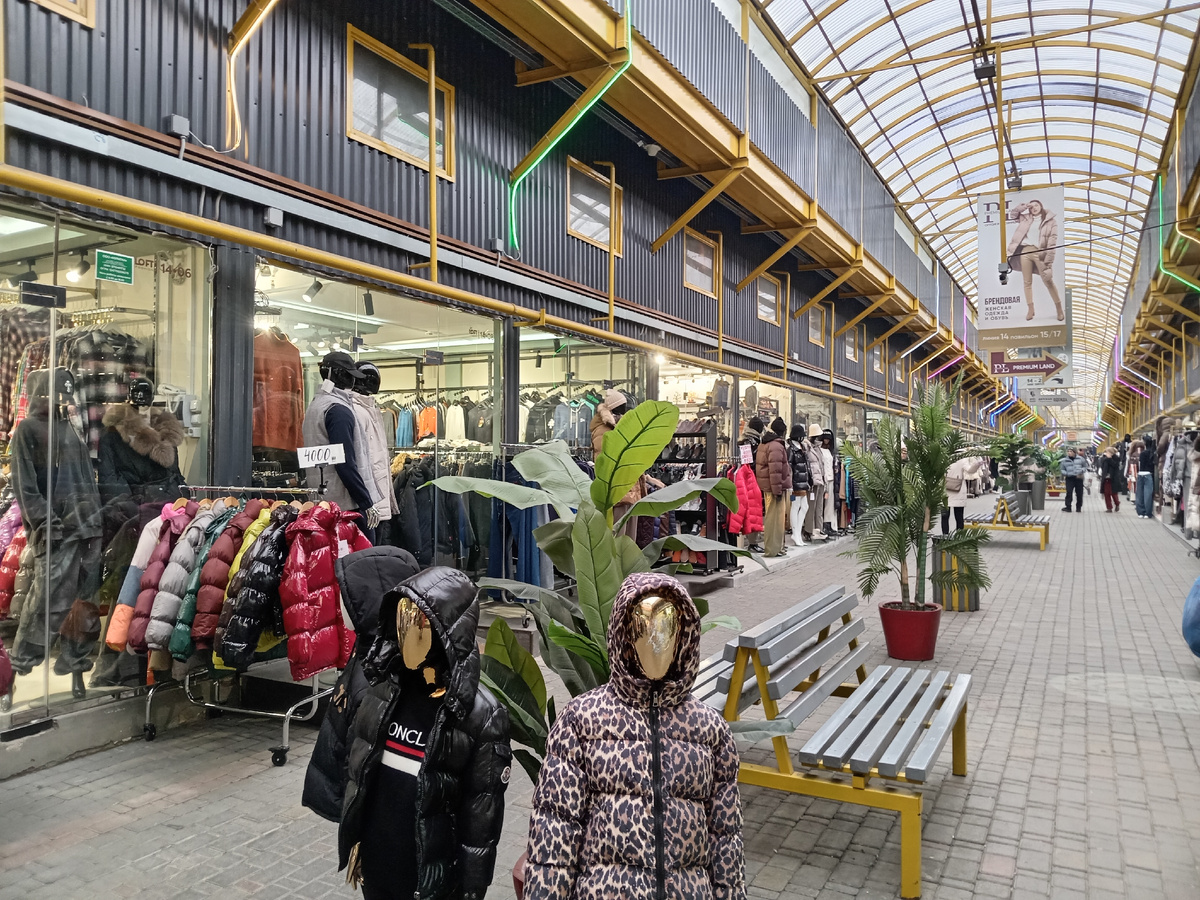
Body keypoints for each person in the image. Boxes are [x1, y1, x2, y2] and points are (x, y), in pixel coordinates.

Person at [301, 351, 381, 542]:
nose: (353, 382)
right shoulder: (338, 411)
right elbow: (345, 464)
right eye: (350, 375)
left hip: (323, 502)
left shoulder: (316, 406)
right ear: (338, 374)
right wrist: (366, 502)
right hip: (347, 505)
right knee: (361, 555)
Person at [591, 389, 645, 537]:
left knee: (628, 540)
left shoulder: (619, 427)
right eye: (621, 407)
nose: (623, 411)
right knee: (617, 537)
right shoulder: (604, 430)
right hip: (617, 492)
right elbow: (605, 461)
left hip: (629, 490)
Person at [1007, 198, 1064, 322]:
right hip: (1025, 251)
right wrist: (1023, 207)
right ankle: (1030, 309)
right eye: (1031, 207)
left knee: (1048, 280)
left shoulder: (1051, 221)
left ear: (1041, 206)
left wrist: (1048, 260)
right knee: (1027, 282)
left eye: (1036, 205)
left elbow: (1052, 241)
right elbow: (1013, 215)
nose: (1034, 208)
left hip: (1040, 252)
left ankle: (1059, 308)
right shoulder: (1025, 218)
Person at [755, 417, 792, 558]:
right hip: (774, 487)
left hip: (770, 486)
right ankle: (772, 549)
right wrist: (777, 490)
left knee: (775, 518)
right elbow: (775, 470)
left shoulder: (766, 443)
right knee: (774, 519)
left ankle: (777, 547)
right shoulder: (776, 446)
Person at [786, 424, 813, 545]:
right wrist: (790, 484)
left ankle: (797, 533)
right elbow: (789, 468)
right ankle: (795, 533)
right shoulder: (791, 450)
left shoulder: (801, 448)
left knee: (804, 506)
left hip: (803, 482)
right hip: (796, 483)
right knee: (795, 506)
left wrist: (809, 480)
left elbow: (806, 466)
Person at [941, 456, 980, 533]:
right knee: (958, 517)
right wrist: (976, 464)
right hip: (958, 490)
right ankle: (958, 537)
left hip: (945, 489)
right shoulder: (961, 458)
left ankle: (945, 537)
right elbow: (970, 470)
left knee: (945, 516)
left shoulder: (943, 456)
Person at [803, 424, 827, 542]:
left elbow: (821, 465)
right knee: (811, 506)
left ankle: (819, 529)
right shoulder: (807, 447)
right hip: (813, 481)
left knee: (819, 506)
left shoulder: (818, 448)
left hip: (820, 480)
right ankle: (809, 529)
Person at [1136, 434, 1158, 518]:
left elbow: (1140, 465)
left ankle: (1141, 512)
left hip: (1141, 474)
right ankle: (1147, 513)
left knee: (1140, 495)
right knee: (1148, 495)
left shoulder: (1142, 453)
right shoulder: (1154, 453)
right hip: (1149, 475)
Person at [1061, 447, 1086, 512]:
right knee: (1069, 492)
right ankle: (1068, 507)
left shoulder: (1081, 459)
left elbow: (1085, 467)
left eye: (1071, 451)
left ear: (1075, 452)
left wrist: (1081, 471)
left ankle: (1078, 507)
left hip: (1078, 478)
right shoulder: (1064, 460)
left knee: (1079, 493)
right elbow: (1062, 469)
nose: (1069, 453)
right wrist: (1066, 473)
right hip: (1069, 478)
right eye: (1068, 451)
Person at [1100, 447, 1123, 512]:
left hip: (1113, 478)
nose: (1106, 453)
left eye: (1107, 452)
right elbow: (1102, 466)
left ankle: (1117, 503)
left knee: (1113, 493)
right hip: (1106, 478)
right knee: (1106, 493)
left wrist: (1109, 459)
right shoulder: (1104, 459)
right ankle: (1109, 507)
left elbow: (1115, 466)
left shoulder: (1116, 458)